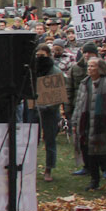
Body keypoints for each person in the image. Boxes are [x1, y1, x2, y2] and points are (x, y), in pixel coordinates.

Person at [71, 58, 106, 197]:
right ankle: (94, 180)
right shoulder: (84, 83)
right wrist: (75, 121)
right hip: (86, 124)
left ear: (100, 69)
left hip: (102, 126)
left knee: (105, 156)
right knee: (90, 154)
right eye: (89, 66)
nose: (89, 68)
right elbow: (79, 104)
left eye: (92, 66)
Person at [33, 46, 65, 182]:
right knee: (32, 139)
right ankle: (30, 167)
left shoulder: (55, 72)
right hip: (34, 109)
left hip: (50, 112)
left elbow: (58, 96)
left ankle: (48, 169)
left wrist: (47, 106)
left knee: (50, 140)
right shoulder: (34, 71)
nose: (40, 58)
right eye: (37, 55)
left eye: (42, 55)